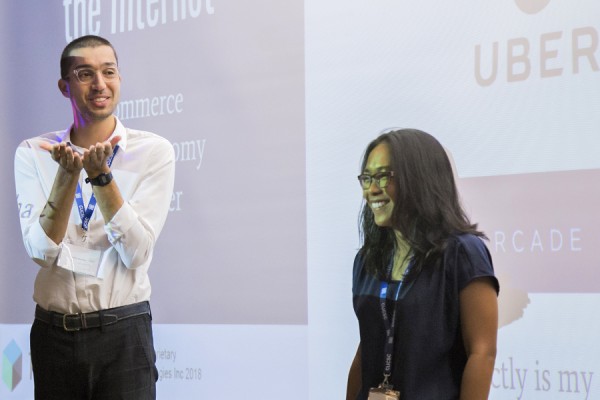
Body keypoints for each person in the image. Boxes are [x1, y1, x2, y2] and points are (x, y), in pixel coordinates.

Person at [14, 35, 175, 399]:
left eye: (109, 72)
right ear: (64, 86)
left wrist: (102, 178)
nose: (99, 84)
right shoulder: (35, 153)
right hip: (54, 333)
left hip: (124, 332)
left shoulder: (153, 151)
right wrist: (67, 176)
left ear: (119, 78)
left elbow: (136, 253)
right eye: (85, 74)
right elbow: (40, 251)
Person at [347, 129, 499, 400]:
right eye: (367, 178)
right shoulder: (367, 259)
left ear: (418, 179)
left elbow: (482, 352)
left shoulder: (462, 253)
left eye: (384, 176)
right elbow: (367, 347)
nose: (372, 189)